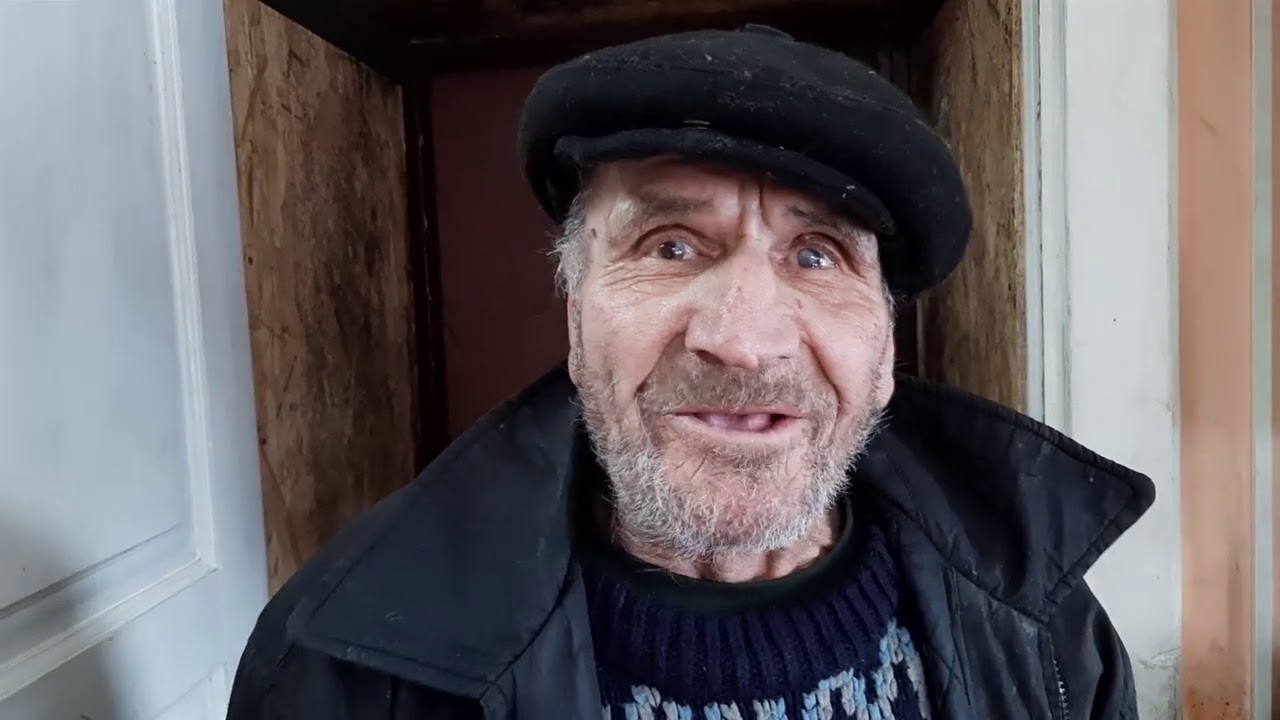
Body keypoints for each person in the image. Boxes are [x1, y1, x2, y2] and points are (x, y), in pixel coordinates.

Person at [226, 25, 1154, 720]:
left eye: (818, 255)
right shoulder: (346, 664)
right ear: (576, 315)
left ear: (883, 349)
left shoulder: (1048, 628)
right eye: (671, 246)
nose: (744, 342)